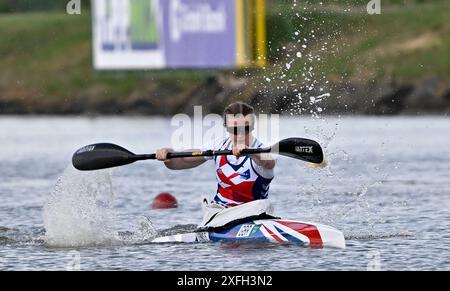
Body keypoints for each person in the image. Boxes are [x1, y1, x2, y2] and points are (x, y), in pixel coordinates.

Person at [155, 102, 277, 230]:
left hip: (253, 213)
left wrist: (250, 152)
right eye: (235, 129)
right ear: (226, 127)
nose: (240, 135)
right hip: (220, 214)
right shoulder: (218, 146)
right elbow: (181, 161)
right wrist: (169, 155)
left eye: (245, 129)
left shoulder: (263, 151)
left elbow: (269, 163)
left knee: (264, 205)